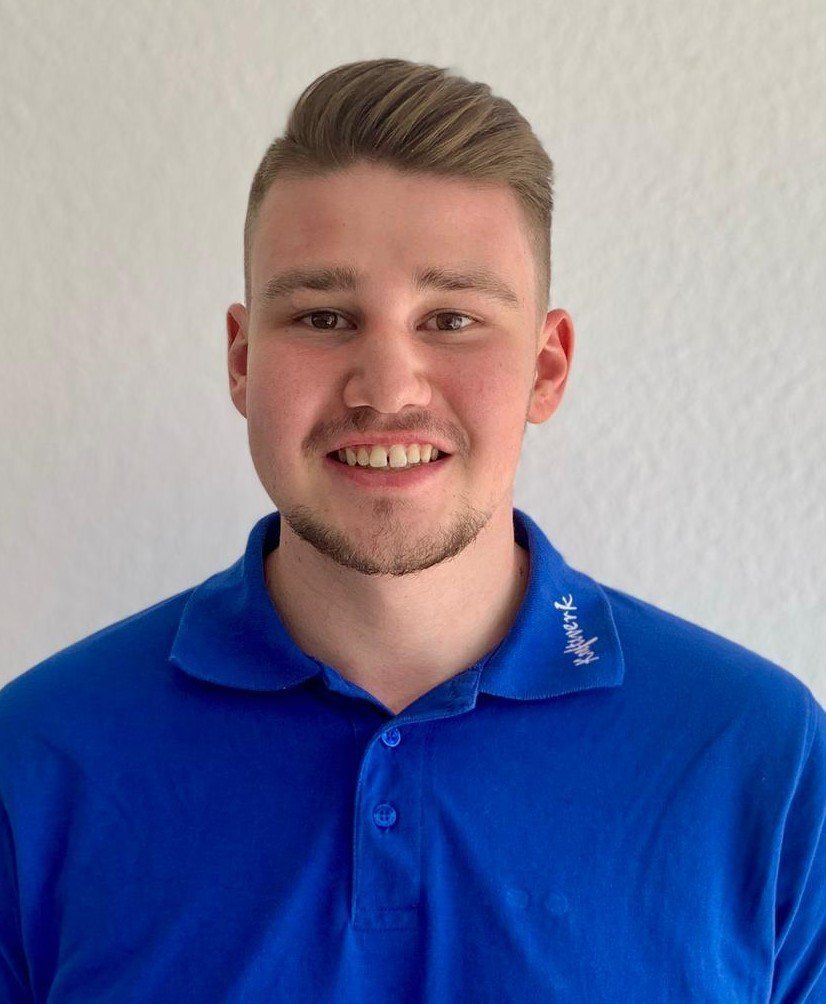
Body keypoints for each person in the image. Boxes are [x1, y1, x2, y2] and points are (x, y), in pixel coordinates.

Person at [1, 58, 823, 1003]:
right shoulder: (38, 759)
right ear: (241, 360)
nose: (387, 389)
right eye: (323, 316)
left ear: (547, 368)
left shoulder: (759, 756)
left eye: (451, 319)